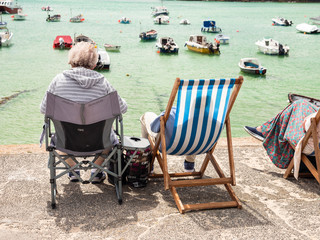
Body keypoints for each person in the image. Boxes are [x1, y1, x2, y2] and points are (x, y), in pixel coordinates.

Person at [40, 41, 127, 183]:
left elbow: (44, 109)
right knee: (110, 133)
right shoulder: (103, 83)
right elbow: (122, 109)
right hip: (99, 142)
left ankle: (73, 170)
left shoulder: (58, 81)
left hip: (67, 142)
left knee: (58, 136)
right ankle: (96, 172)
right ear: (93, 64)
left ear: (71, 61)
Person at [244, 99, 319, 175]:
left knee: (299, 106)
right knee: (301, 106)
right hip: (316, 144)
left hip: (313, 147)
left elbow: (306, 125)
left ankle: (266, 131)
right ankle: (266, 130)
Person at [140, 107, 196, 172]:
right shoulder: (207, 119)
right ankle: (189, 165)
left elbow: (154, 128)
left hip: (167, 146)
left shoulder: (174, 112)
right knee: (194, 133)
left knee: (145, 116)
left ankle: (147, 163)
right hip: (193, 147)